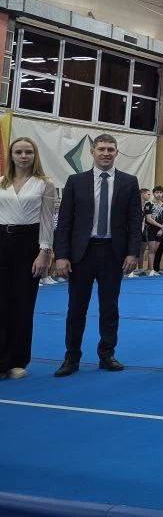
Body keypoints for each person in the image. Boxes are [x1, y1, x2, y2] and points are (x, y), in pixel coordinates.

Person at [52, 134, 142, 376]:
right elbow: (64, 221)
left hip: (113, 253)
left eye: (110, 149)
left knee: (109, 308)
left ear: (116, 153)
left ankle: (107, 354)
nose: (106, 153)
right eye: (101, 149)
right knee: (76, 308)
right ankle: (71, 357)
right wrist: (61, 255)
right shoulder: (75, 181)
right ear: (92, 151)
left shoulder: (129, 182)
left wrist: (133, 253)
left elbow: (135, 221)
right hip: (81, 254)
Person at [0, 138, 56, 380]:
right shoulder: (1, 182)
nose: (23, 156)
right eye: (19, 152)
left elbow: (47, 221)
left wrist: (44, 252)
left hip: (28, 243)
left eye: (28, 152)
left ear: (35, 156)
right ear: (11, 155)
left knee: (22, 303)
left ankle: (17, 360)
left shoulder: (45, 184)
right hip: (2, 241)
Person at [142, 186, 163, 276]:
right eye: (157, 192)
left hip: (159, 230)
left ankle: (151, 268)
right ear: (153, 193)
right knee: (151, 250)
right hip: (150, 229)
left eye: (160, 193)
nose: (159, 194)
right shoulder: (149, 204)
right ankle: (150, 269)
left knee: (155, 250)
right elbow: (148, 219)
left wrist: (162, 229)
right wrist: (161, 226)